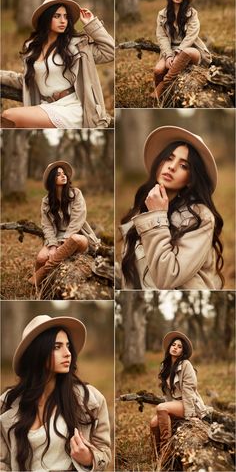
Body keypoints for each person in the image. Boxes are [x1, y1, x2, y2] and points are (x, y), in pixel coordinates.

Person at [0, 314, 111, 471]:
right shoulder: (7, 404)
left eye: (68, 346)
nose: (68, 353)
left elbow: (105, 454)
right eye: (57, 347)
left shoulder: (91, 400)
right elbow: (2, 463)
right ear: (37, 352)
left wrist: (88, 458)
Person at [120, 125, 224, 290]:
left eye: (184, 166)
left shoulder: (200, 217)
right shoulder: (140, 208)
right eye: (169, 158)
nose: (172, 167)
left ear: (191, 179)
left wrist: (156, 216)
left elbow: (166, 278)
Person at [1, 0, 114, 128]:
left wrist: (91, 24)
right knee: (8, 121)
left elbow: (110, 52)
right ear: (46, 18)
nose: (63, 21)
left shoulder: (76, 46)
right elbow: (25, 81)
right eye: (57, 16)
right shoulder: (32, 48)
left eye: (66, 16)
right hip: (47, 105)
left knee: (8, 115)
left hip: (72, 107)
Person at [28, 160, 100, 287]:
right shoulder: (46, 201)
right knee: (40, 258)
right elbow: (47, 226)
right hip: (56, 238)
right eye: (58, 174)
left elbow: (77, 220)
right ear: (52, 180)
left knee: (74, 238)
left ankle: (42, 272)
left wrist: (63, 243)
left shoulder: (76, 194)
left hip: (78, 237)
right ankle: (38, 288)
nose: (63, 176)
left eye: (64, 173)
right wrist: (52, 245)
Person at [150, 331, 207, 457]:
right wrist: (169, 408)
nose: (175, 347)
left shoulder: (186, 365)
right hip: (175, 404)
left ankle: (166, 453)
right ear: (169, 347)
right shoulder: (165, 366)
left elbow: (189, 391)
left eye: (179, 346)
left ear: (183, 351)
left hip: (187, 403)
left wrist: (190, 415)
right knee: (153, 423)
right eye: (173, 345)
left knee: (161, 407)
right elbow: (167, 394)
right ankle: (156, 455)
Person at [152, 0, 211, 100]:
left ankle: (162, 87)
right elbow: (161, 36)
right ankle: (162, 98)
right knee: (158, 70)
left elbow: (191, 35)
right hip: (170, 49)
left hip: (191, 49)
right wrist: (169, 55)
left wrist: (178, 51)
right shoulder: (162, 14)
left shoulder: (192, 13)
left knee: (187, 52)